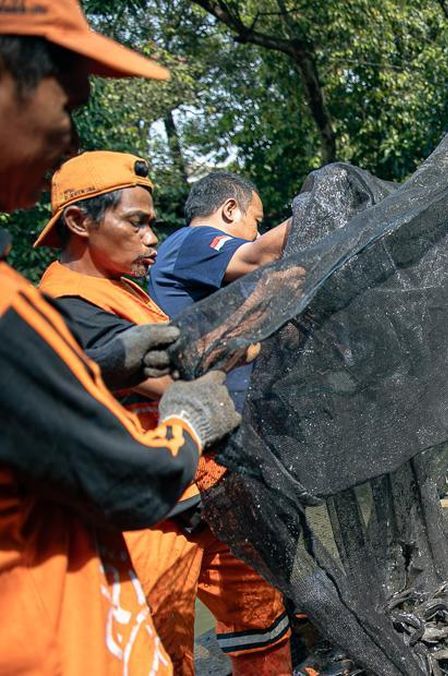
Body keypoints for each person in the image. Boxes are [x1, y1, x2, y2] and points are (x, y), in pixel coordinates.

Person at [0, 3, 242, 673]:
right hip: (64, 633)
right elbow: (125, 477)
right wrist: (191, 419)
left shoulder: (90, 293)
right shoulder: (37, 303)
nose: (66, 134)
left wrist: (101, 364)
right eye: (68, 100)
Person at [34, 151, 293, 675]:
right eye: (137, 223)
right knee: (159, 650)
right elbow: (178, 380)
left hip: (211, 491)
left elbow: (188, 352)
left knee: (262, 621)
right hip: (148, 517)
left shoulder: (124, 285)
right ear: (80, 222)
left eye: (151, 223)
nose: (152, 238)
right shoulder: (66, 301)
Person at [148, 171, 290, 408]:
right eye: (257, 222)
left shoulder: (191, 252)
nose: (259, 234)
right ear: (230, 209)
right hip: (207, 401)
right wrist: (319, 212)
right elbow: (261, 256)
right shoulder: (195, 239)